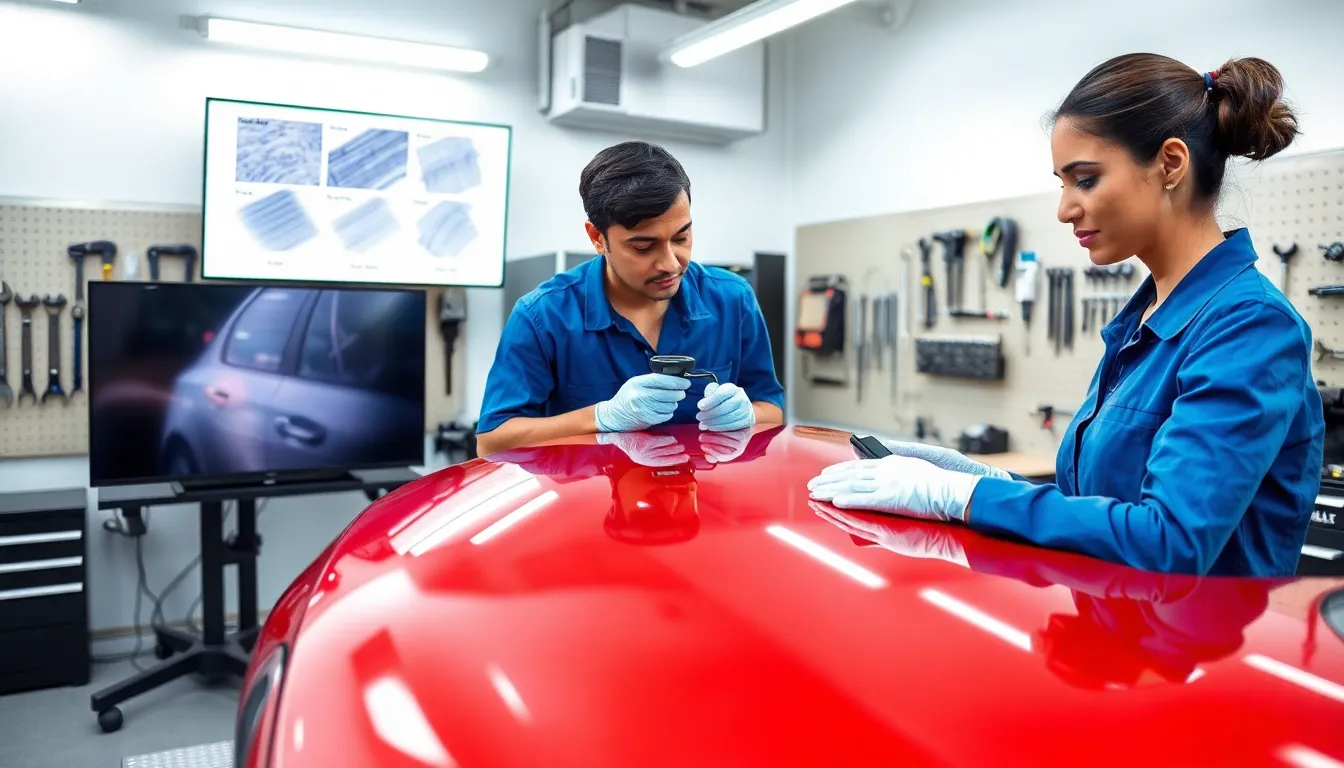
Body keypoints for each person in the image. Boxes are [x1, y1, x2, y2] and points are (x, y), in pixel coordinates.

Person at [809, 53, 1324, 577]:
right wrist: (982, 481)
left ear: (1170, 163)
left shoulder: (1249, 326)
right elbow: (1101, 502)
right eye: (1063, 183)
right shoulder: (1142, 321)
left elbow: (1170, 538)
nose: (1064, 209)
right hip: (1119, 639)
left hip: (1199, 652)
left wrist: (962, 497)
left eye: (1085, 180)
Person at [475, 141, 785, 455]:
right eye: (643, 247)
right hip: (591, 500)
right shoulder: (543, 316)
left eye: (681, 237)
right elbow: (492, 441)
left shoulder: (733, 299)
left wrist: (747, 415)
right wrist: (602, 417)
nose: (670, 263)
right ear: (597, 238)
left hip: (700, 499)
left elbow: (771, 409)